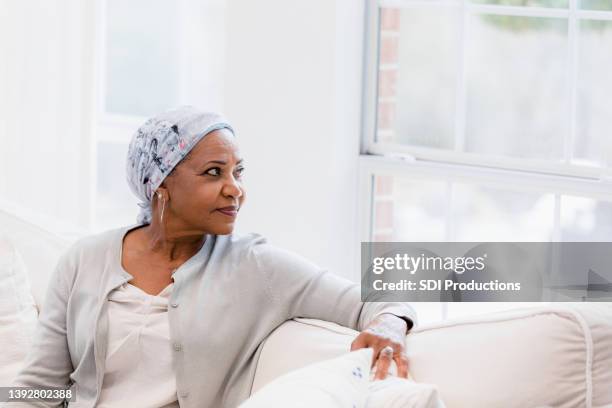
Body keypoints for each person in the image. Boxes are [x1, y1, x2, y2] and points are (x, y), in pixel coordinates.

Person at [9, 106, 416, 408]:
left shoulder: (256, 266)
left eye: (238, 172)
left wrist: (392, 325)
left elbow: (377, 299)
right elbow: (39, 387)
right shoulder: (85, 259)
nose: (234, 189)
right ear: (160, 185)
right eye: (214, 173)